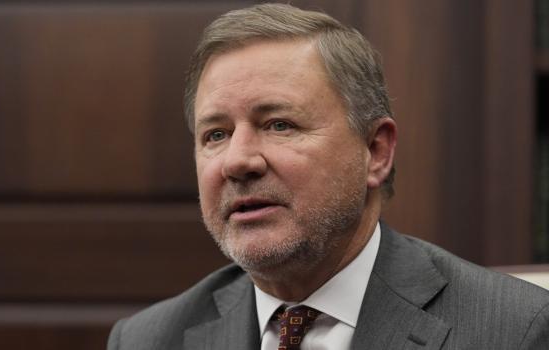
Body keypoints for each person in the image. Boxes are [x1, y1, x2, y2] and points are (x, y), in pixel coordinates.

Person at [107, 3, 549, 349]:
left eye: (279, 124)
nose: (237, 161)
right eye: (216, 134)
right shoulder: (148, 340)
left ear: (375, 152)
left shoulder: (514, 331)